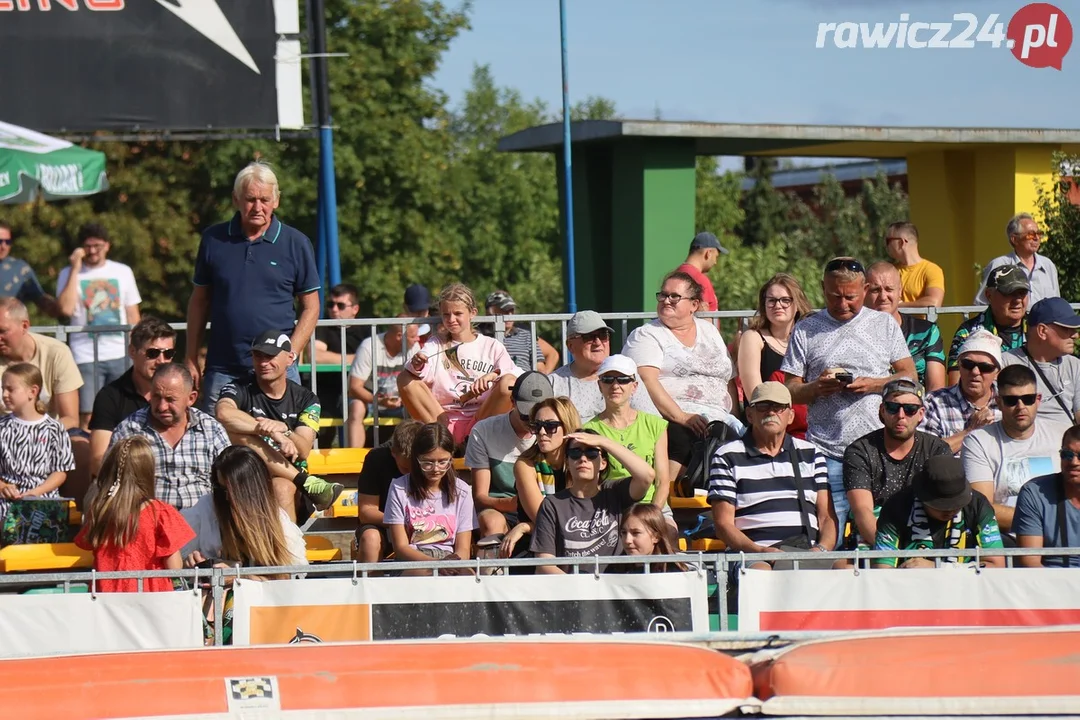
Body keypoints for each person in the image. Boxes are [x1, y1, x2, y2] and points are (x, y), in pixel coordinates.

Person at [782, 257, 916, 546]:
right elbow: (790, 389)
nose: (842, 304)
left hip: (878, 450)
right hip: (826, 451)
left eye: (851, 297)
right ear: (822, 289)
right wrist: (817, 388)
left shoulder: (884, 324)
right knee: (831, 534)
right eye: (834, 296)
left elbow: (910, 376)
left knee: (881, 536)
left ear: (866, 289)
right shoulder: (806, 328)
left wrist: (875, 384)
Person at [185, 161, 321, 413]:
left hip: (278, 370)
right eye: (250, 199)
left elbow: (311, 306)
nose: (258, 207)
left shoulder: (296, 242)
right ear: (236, 199)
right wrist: (191, 356)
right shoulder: (213, 239)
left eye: (264, 199)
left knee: (282, 447)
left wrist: (291, 352)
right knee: (220, 447)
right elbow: (199, 301)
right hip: (224, 367)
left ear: (276, 201)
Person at [624, 270, 741, 483]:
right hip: (672, 417)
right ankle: (667, 502)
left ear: (694, 305)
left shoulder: (710, 331)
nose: (666, 301)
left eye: (674, 297)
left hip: (720, 418)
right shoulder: (647, 335)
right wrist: (682, 416)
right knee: (681, 437)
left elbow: (728, 378)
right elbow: (647, 380)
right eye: (663, 295)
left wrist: (737, 416)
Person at [215, 330, 342, 522]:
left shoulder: (306, 398)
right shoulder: (239, 387)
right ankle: (306, 483)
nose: (263, 362)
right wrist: (274, 433)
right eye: (258, 356)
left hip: (288, 479)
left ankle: (289, 551)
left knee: (281, 487)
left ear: (290, 358)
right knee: (232, 430)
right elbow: (223, 412)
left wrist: (286, 430)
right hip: (246, 474)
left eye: (270, 356)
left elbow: (303, 450)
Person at [709, 382, 835, 566]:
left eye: (779, 407)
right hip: (751, 555)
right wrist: (759, 551)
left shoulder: (811, 454)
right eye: (763, 406)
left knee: (849, 570)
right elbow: (723, 525)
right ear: (750, 415)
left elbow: (826, 517)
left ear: (791, 416)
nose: (771, 412)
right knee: (761, 573)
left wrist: (822, 550)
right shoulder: (727, 455)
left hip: (805, 552)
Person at [398, 283, 520, 448]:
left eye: (457, 313)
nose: (451, 319)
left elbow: (514, 375)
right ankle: (442, 439)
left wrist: (491, 376)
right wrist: (418, 362)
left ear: (472, 313)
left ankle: (474, 440)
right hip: (442, 418)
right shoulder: (436, 342)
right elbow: (418, 367)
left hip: (482, 419)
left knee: (509, 384)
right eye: (446, 314)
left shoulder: (491, 345)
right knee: (405, 378)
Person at [75, 436, 195, 592]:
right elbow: (174, 567)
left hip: (107, 600)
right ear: (147, 472)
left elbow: (87, 544)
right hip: (150, 600)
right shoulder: (160, 513)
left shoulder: (99, 510)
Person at [843, 378, 951, 547]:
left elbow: (942, 508)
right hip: (873, 539)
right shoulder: (859, 451)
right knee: (844, 568)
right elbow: (862, 511)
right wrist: (891, 554)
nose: (901, 416)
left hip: (924, 537)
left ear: (921, 414)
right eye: (893, 407)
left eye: (910, 409)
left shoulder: (938, 450)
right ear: (882, 411)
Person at [56, 222, 142, 430]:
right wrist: (75, 268)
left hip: (120, 353)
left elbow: (133, 314)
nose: (93, 251)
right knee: (88, 415)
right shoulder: (68, 274)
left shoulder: (122, 271)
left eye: (98, 246)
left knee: (127, 411)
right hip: (85, 355)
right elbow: (65, 310)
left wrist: (139, 350)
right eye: (88, 246)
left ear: (107, 246)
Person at [531, 429, 655, 572]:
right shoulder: (552, 504)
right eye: (575, 453)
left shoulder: (614, 491)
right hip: (574, 589)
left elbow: (647, 476)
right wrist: (585, 588)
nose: (583, 459)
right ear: (567, 463)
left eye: (591, 453)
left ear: (603, 463)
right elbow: (545, 565)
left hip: (617, 588)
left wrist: (603, 441)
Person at [110, 364, 230, 510]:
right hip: (149, 521)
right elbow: (111, 482)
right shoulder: (129, 430)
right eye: (156, 397)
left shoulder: (211, 430)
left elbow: (230, 481)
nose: (161, 406)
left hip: (203, 522)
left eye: (170, 399)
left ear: (191, 398)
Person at [962, 364, 1063, 534]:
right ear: (999, 402)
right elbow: (983, 508)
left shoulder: (1062, 434)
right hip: (1006, 539)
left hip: (1059, 537)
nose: (1021, 406)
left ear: (1038, 400)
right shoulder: (978, 441)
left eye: (1028, 399)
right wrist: (1046, 521)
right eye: (1011, 400)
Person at [181, 445, 307, 568]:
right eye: (220, 489)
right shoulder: (205, 507)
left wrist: (238, 576)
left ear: (253, 490)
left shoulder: (277, 520)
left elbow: (294, 574)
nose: (226, 498)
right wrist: (189, 560)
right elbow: (179, 559)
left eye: (233, 492)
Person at [873, 455, 1004, 569]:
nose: (950, 510)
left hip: (966, 590)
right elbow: (883, 569)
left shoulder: (978, 504)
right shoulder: (896, 506)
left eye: (957, 504)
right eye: (941, 505)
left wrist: (939, 568)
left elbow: (996, 566)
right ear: (922, 496)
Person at [584, 355, 672, 520]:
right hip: (610, 509)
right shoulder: (589, 430)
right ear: (599, 385)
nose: (615, 385)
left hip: (652, 507)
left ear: (634, 386)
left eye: (623, 379)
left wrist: (651, 517)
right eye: (608, 379)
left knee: (670, 534)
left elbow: (662, 482)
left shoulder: (655, 424)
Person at [466, 372, 551, 539]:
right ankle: (495, 565)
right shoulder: (484, 431)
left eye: (539, 417)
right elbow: (480, 497)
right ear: (512, 402)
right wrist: (512, 504)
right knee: (492, 522)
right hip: (502, 510)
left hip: (544, 506)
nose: (533, 423)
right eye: (527, 415)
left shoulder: (555, 431)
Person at [88, 316, 176, 477]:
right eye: (153, 353)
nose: (161, 361)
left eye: (168, 353)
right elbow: (98, 460)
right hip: (128, 484)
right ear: (132, 352)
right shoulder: (110, 397)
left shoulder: (181, 394)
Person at [383, 423, 478, 573]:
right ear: (416, 459)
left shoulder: (462, 491)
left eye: (442, 462)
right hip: (414, 560)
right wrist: (436, 564)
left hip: (450, 559)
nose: (435, 469)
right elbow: (401, 548)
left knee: (468, 577)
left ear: (451, 457)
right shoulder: (399, 488)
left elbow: (463, 548)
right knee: (424, 576)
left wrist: (449, 565)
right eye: (427, 462)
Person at [501, 397, 582, 558]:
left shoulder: (582, 461)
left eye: (551, 426)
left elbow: (586, 517)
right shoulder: (526, 465)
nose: (542, 432)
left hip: (579, 543)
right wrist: (531, 527)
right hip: (536, 545)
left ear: (568, 427)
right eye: (537, 426)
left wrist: (525, 526)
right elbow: (544, 521)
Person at [736, 273, 813, 435]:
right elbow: (756, 395)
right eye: (771, 300)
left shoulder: (809, 339)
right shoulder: (753, 338)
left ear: (797, 304)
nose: (778, 305)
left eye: (785, 300)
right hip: (767, 422)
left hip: (810, 425)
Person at [0, 363, 75, 524]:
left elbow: (60, 471)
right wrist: (3, 486)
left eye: (10, 389)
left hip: (43, 500)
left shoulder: (54, 428)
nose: (4, 394)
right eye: (3, 389)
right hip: (7, 500)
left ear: (32, 392)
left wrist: (36, 492)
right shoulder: (2, 427)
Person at [548, 310, 650, 421]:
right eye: (589, 337)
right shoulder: (553, 384)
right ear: (570, 345)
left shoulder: (626, 376)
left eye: (603, 336)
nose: (598, 342)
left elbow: (652, 423)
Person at [0, 297, 82, 429]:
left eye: (2, 331)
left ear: (24, 326)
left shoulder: (57, 352)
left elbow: (71, 419)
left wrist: (37, 433)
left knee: (81, 444)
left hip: (49, 432)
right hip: (4, 434)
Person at [865, 262, 946, 392]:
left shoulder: (927, 332)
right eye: (875, 290)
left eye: (889, 289)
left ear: (900, 291)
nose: (883, 297)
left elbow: (936, 390)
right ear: (864, 292)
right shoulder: (855, 331)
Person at [1001, 297, 1080, 429]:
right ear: (1042, 331)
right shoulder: (1005, 363)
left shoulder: (1075, 365)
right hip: (1021, 444)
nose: (1075, 335)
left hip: (1067, 446)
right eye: (1067, 329)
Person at [922, 330, 1002, 456]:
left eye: (985, 367)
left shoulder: (1011, 401)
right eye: (968, 364)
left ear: (997, 373)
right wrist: (970, 430)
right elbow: (925, 454)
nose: (975, 372)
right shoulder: (935, 402)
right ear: (959, 365)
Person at [355, 420, 423, 564]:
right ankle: (369, 585)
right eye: (405, 469)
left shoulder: (433, 461)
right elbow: (366, 511)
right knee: (371, 539)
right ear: (393, 452)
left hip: (428, 523)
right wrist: (400, 522)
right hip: (385, 525)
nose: (410, 475)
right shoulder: (377, 458)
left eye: (417, 470)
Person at [948, 265, 1030, 385]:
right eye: (1009, 293)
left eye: (1022, 293)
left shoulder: (1039, 330)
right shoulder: (968, 332)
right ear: (989, 295)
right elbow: (955, 384)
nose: (1017, 300)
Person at [347, 315, 418, 448]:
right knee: (357, 408)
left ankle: (413, 457)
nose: (417, 339)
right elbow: (354, 387)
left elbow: (420, 384)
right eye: (413, 336)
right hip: (370, 399)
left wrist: (405, 399)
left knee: (418, 407)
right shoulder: (369, 346)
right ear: (399, 336)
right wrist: (379, 401)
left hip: (402, 400)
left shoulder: (414, 347)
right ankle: (354, 462)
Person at [1015, 425, 1080, 568]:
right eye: (1067, 455)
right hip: (1050, 583)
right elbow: (1030, 562)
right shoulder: (1034, 492)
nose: (1074, 462)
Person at [310, 283, 365, 448]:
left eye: (340, 305)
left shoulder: (366, 328)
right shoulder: (322, 326)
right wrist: (357, 358)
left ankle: (358, 465)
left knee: (360, 410)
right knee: (320, 426)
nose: (334, 309)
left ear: (355, 309)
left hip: (358, 389)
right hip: (325, 389)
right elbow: (316, 355)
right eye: (330, 305)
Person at [974, 212, 1059, 306]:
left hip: (1044, 321)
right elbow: (981, 303)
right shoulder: (998, 265)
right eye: (1031, 234)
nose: (1036, 238)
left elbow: (1056, 303)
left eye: (1039, 234)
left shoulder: (1048, 265)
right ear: (1014, 239)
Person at [484, 290, 558, 373]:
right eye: (503, 310)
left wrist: (542, 380)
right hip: (492, 382)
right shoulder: (479, 336)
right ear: (489, 312)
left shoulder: (526, 335)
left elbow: (542, 365)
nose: (509, 314)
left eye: (511, 310)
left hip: (525, 382)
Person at [0, 220, 61, 317]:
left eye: (7, 242)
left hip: (10, 329)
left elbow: (40, 299)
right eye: (0, 241)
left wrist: (62, 307)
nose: (3, 246)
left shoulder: (20, 269)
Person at [883, 221, 944, 308]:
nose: (886, 246)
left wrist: (899, 306)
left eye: (888, 241)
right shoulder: (890, 271)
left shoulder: (931, 270)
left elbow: (934, 303)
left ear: (901, 242)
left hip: (921, 322)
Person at [620, 504, 686, 573]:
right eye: (624, 532)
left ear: (656, 537)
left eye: (636, 533)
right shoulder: (614, 570)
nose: (627, 540)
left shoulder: (674, 573)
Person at [675, 231, 727, 313]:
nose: (715, 262)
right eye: (716, 256)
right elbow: (704, 317)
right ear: (708, 253)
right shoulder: (699, 279)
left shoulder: (676, 274)